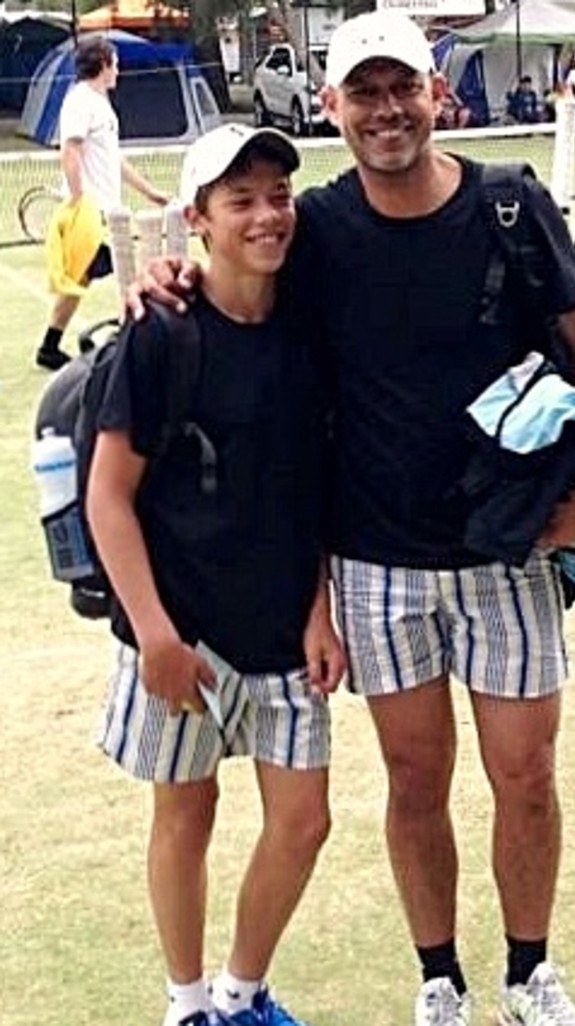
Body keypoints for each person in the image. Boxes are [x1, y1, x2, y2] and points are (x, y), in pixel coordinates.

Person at [130, 11, 575, 1026]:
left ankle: (529, 974)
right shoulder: (316, 226)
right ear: (334, 106)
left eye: (404, 87)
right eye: (365, 92)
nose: (387, 109)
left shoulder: (505, 204)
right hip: (376, 559)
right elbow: (236, 267)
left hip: (507, 548)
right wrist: (167, 277)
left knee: (525, 775)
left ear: (437, 92)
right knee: (413, 780)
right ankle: (437, 977)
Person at [87, 122, 345, 1026]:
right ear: (197, 221)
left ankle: (241, 994)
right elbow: (108, 497)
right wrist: (155, 635)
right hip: (181, 634)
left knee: (303, 819)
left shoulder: (309, 336)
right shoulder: (160, 335)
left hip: (283, 629)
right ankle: (186, 1003)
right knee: (185, 817)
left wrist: (319, 608)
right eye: (241, 201)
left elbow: (310, 489)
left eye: (278, 196)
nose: (267, 215)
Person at [35, 35, 168, 371]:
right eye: (116, 64)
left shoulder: (100, 103)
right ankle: (133, 338)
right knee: (120, 270)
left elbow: (113, 158)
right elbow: (70, 150)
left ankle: (50, 346)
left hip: (106, 211)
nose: (119, 71)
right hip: (89, 213)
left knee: (84, 277)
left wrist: (149, 191)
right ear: (103, 65)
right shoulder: (80, 101)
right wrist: (79, 201)